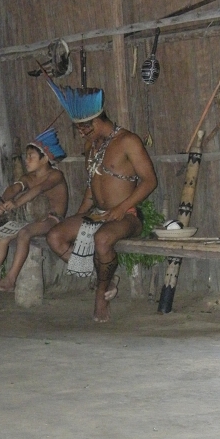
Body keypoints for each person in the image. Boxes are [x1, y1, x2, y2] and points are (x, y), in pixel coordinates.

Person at [44, 85, 157, 322]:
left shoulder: (128, 141)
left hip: (127, 215)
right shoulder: (91, 145)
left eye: (83, 129)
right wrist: (78, 215)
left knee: (102, 240)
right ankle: (104, 277)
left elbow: (150, 181)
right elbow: (91, 186)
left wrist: (121, 208)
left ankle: (101, 294)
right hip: (98, 214)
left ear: (95, 122)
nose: (81, 135)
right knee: (55, 237)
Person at [0, 128, 68, 293]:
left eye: (31, 157)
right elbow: (14, 188)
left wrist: (16, 202)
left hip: (52, 219)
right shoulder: (28, 177)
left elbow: (39, 189)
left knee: (24, 233)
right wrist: (3, 202)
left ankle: (11, 279)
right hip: (32, 219)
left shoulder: (55, 175)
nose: (27, 160)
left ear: (44, 159)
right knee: (4, 234)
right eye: (26, 156)